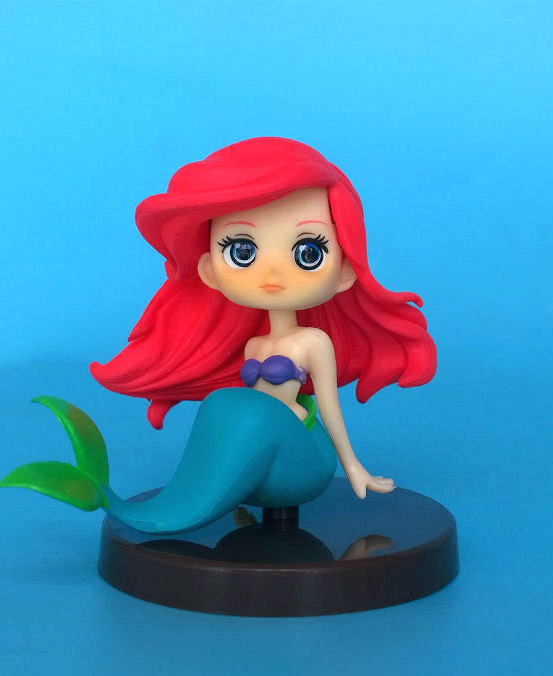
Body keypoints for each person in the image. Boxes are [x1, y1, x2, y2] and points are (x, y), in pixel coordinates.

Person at [84, 137, 437, 534]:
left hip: (305, 461)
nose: (272, 272)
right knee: (226, 403)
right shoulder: (254, 345)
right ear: (209, 270)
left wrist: (354, 466)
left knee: (245, 410)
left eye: (308, 253)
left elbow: (329, 409)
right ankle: (193, 498)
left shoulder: (312, 343)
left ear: (344, 272)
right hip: (265, 464)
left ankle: (172, 513)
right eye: (242, 251)